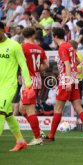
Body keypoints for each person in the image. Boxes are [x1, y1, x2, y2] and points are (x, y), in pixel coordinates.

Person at [43, 28, 83, 142]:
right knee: (78, 107)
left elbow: (67, 64)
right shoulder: (70, 46)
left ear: (55, 36)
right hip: (75, 80)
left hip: (66, 81)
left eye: (52, 36)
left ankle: (51, 136)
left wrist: (67, 80)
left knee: (58, 108)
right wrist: (74, 72)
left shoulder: (62, 47)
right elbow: (76, 61)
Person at [0, 21, 33, 152]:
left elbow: (23, 65)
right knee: (8, 114)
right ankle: (20, 141)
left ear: (3, 30)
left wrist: (28, 84)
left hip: (9, 85)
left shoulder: (14, 46)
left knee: (0, 111)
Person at [18, 27, 49, 146]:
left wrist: (19, 75)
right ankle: (39, 131)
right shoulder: (39, 49)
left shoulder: (22, 48)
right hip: (36, 79)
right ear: (33, 36)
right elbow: (46, 64)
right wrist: (36, 69)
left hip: (29, 81)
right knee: (22, 109)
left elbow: (17, 63)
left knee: (30, 110)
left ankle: (37, 137)